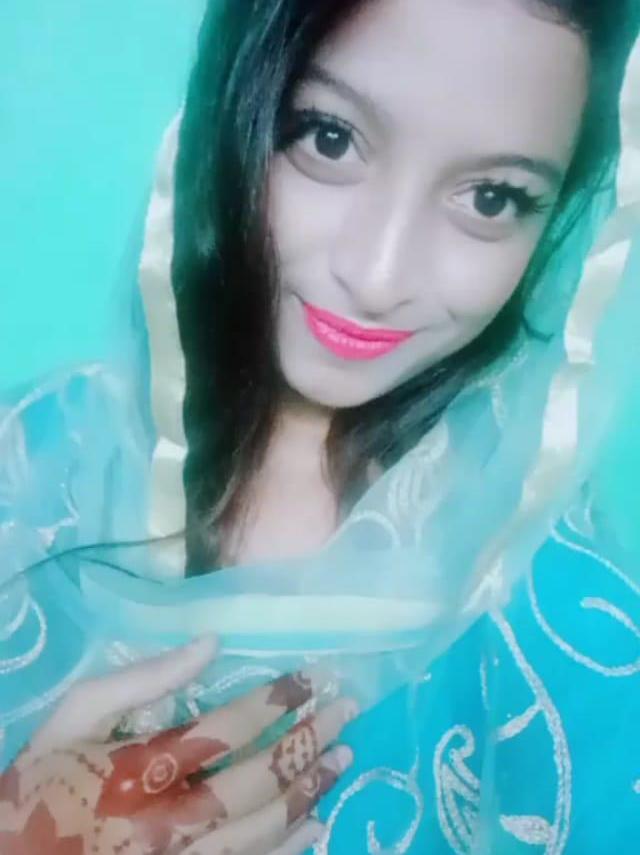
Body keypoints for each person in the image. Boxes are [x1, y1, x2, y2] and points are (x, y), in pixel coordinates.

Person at [1, 0, 640, 852]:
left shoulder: (555, 593)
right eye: (330, 139)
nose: (377, 276)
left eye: (492, 198)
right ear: (237, 102)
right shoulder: (30, 464)